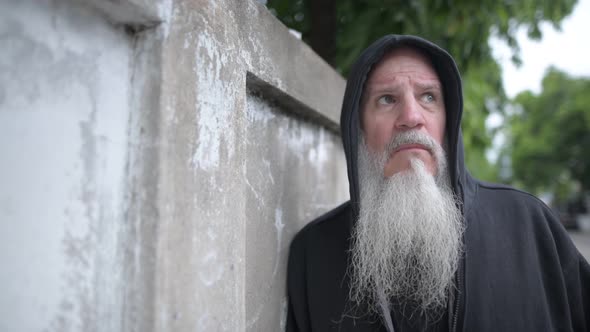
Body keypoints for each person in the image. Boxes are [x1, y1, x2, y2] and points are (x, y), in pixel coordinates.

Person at [286, 35, 590, 332]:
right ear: (360, 130)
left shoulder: (530, 225)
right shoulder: (313, 253)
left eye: (428, 97)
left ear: (448, 123)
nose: (411, 116)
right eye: (387, 99)